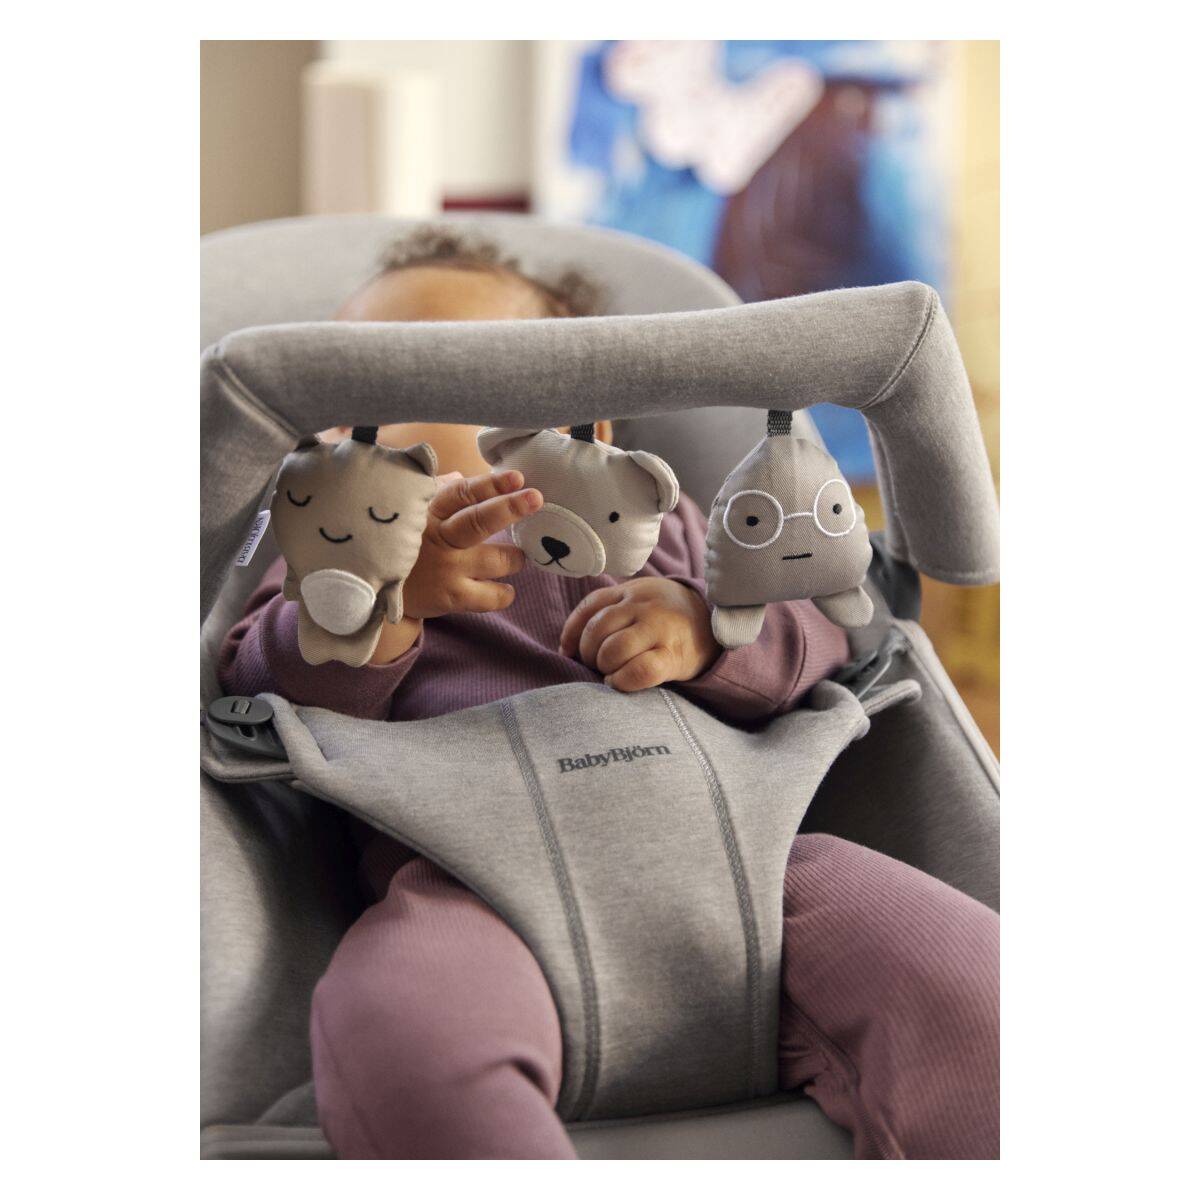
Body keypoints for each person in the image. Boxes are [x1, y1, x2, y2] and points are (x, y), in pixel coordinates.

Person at [220, 226, 999, 1159]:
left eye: (425, 382)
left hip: (755, 861)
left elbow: (823, 635)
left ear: (578, 425)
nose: (366, 425)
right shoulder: (331, 564)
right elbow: (262, 692)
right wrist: (380, 605)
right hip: (475, 892)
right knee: (395, 1039)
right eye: (345, 402)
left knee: (976, 989)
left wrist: (712, 629)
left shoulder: (666, 529)